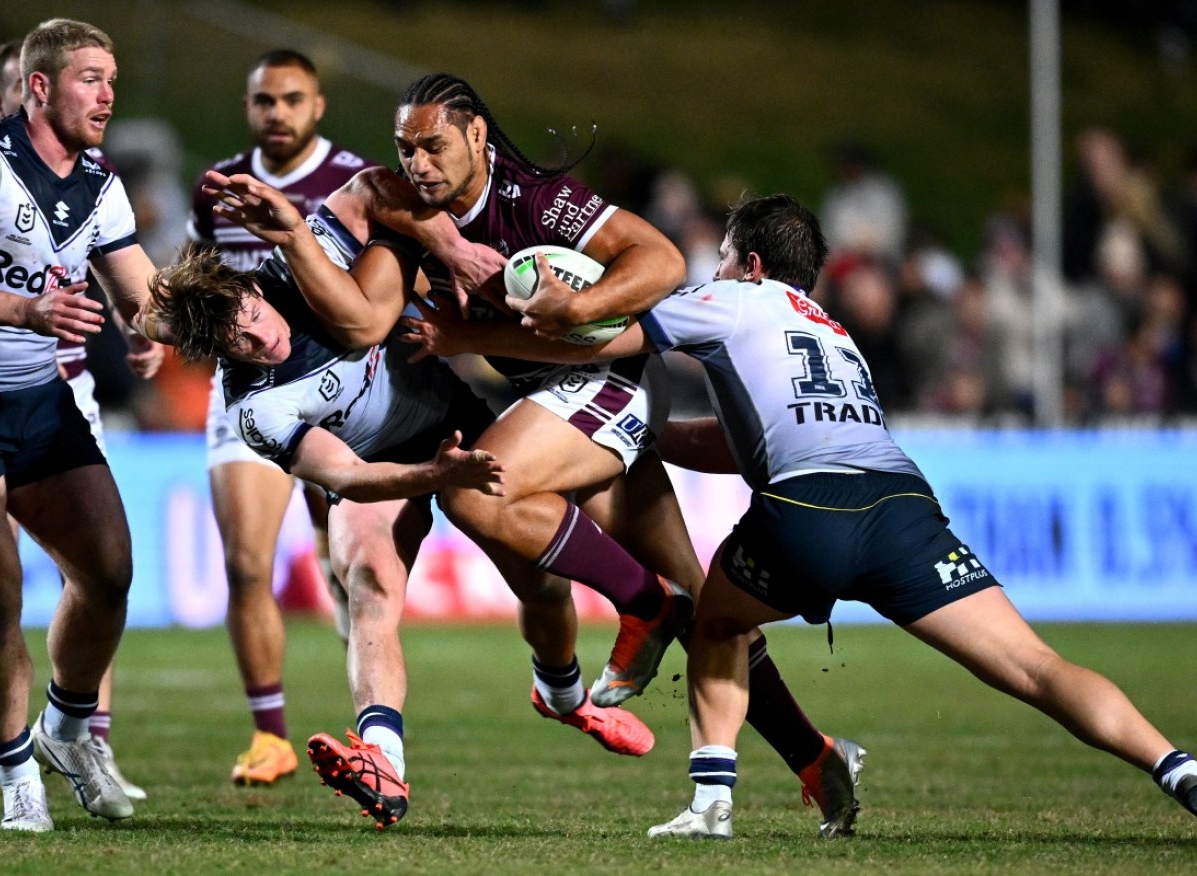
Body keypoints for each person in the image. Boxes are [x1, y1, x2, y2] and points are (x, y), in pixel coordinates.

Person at [403, 192, 1197, 838]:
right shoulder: (836, 333)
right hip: (901, 505)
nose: (710, 270)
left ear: (748, 263)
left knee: (713, 622)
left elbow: (595, 345)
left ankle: (711, 803)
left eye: (720, 256)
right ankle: (1179, 768)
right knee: (1035, 667)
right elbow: (745, 440)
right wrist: (651, 436)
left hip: (809, 508)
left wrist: (466, 336)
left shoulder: (729, 302)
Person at [346, 72, 866, 837]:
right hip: (561, 403)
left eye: (432, 145)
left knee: (475, 491)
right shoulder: (419, 205)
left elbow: (656, 261)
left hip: (603, 382)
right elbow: (367, 190)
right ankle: (818, 758)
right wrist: (440, 244)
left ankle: (644, 607)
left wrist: (575, 307)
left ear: (477, 137)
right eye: (406, 147)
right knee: (709, 613)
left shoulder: (535, 201)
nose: (416, 162)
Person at [180, 167, 658, 829]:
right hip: (383, 471)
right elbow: (344, 477)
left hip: (458, 426)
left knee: (543, 588)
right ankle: (381, 760)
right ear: (219, 354)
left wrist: (455, 252)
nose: (262, 337)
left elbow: (374, 188)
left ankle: (564, 695)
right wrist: (436, 476)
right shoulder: (257, 408)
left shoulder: (300, 270)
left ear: (254, 290)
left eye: (253, 316)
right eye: (240, 341)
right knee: (369, 580)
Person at [0, 18, 165, 831]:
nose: (108, 92)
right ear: (41, 88)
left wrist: (175, 320)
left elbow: (139, 290)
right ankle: (18, 776)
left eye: (113, 78)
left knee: (109, 573)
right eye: (91, 76)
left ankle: (68, 725)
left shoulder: (99, 180)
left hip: (39, 402)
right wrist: (28, 309)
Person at [185, 49, 380, 787]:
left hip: (337, 388)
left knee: (349, 569)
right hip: (244, 394)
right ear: (248, 106)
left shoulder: (353, 181)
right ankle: (269, 736)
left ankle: (374, 731)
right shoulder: (216, 188)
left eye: (292, 99)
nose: (278, 113)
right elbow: (198, 283)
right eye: (264, 100)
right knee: (243, 563)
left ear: (318, 106)